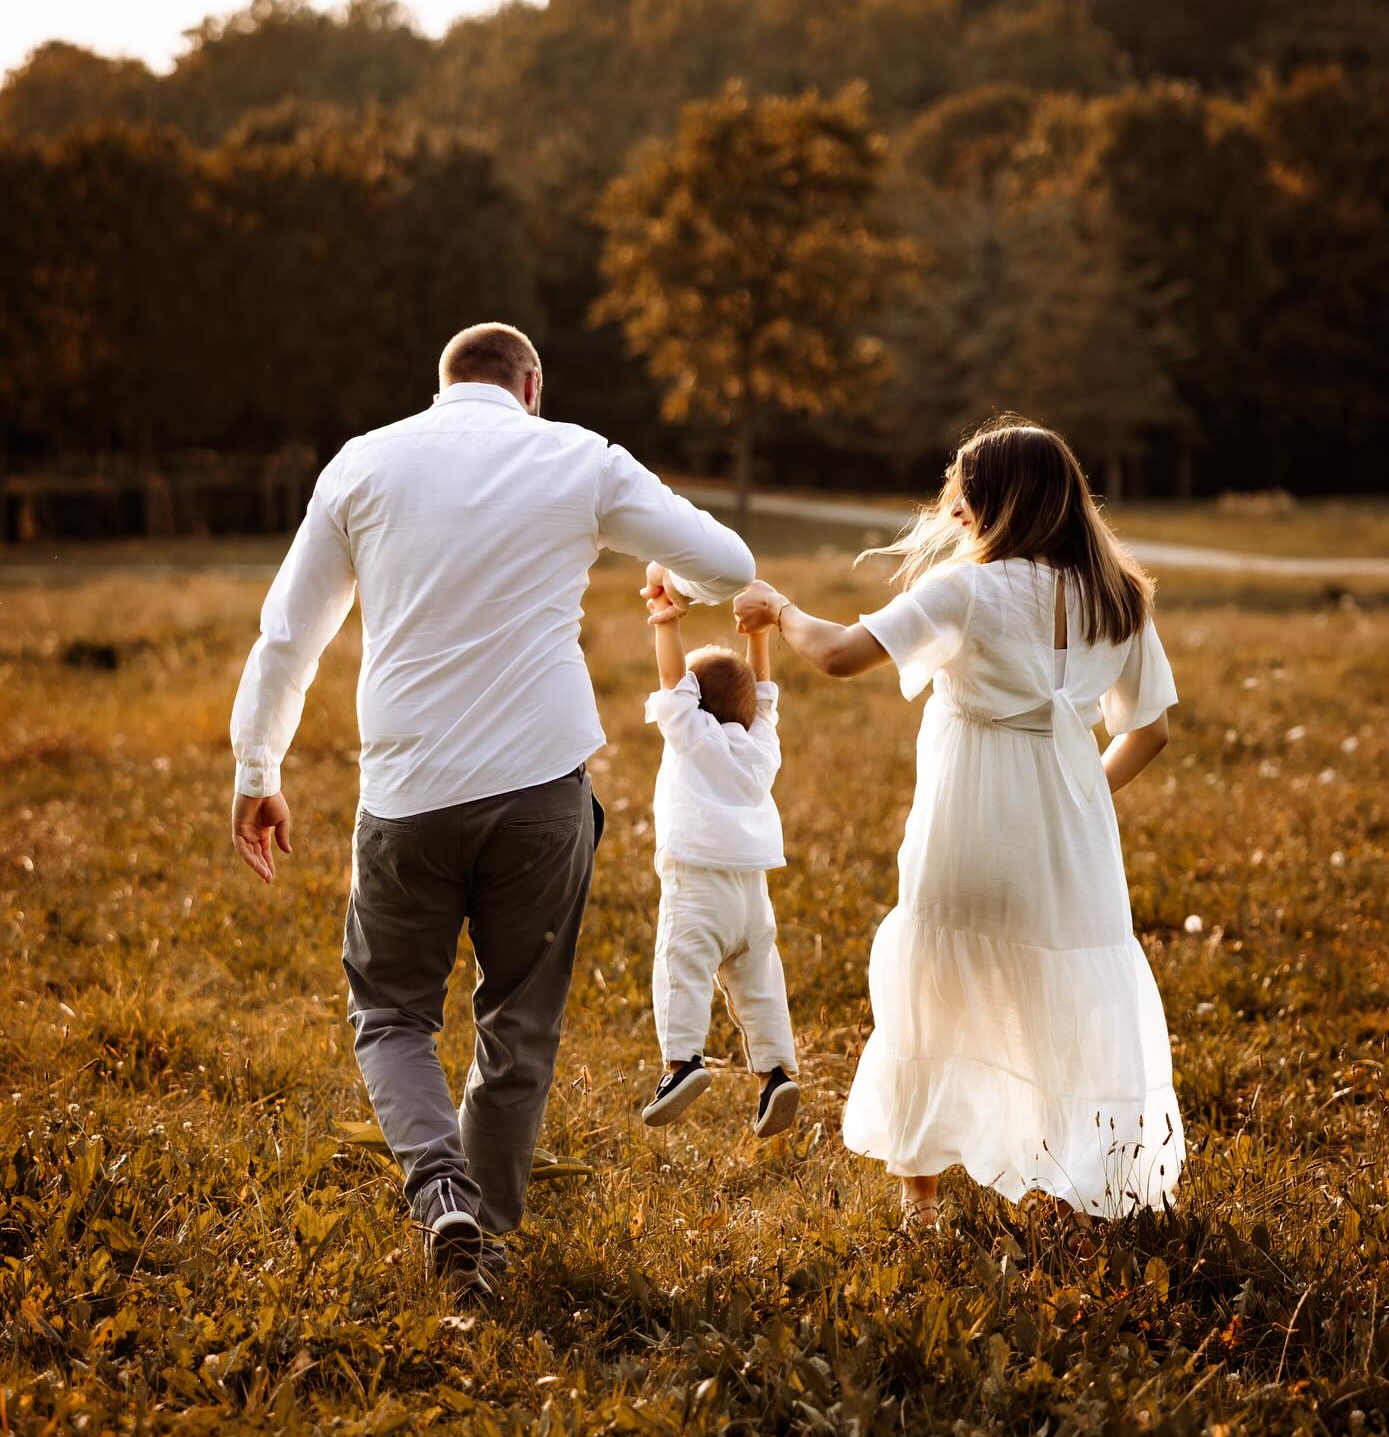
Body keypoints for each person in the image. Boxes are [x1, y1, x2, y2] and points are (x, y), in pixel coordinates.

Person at [229, 323, 753, 1299]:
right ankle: (489, 1237)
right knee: (521, 1019)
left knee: (389, 1013)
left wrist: (256, 768)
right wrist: (669, 582)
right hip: (540, 792)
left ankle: (443, 1199)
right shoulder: (579, 458)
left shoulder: (363, 465)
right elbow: (728, 561)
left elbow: (285, 638)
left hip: (406, 797)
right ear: (532, 386)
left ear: (444, 386)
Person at [733, 417, 1182, 1230]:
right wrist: (1078, 796)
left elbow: (836, 655)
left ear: (993, 504)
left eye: (964, 497)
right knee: (1069, 996)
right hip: (1070, 841)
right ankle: (1087, 1183)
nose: (955, 512)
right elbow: (1148, 730)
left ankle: (923, 1202)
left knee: (934, 990)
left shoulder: (966, 590)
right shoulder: (1120, 594)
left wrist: (781, 609)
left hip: (968, 828)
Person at [639, 578, 799, 1139]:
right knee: (759, 983)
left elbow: (671, 681)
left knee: (680, 969)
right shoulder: (761, 743)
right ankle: (776, 1073)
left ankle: (681, 1064)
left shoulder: (691, 735)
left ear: (694, 700)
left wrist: (667, 618)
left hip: (697, 884)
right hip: (752, 895)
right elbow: (766, 692)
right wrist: (758, 635)